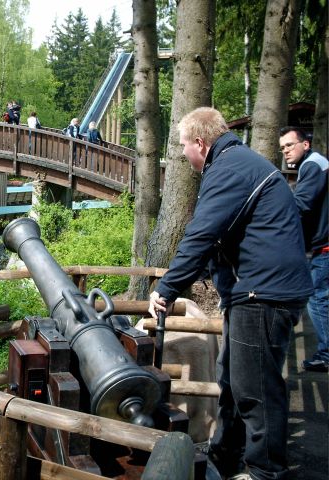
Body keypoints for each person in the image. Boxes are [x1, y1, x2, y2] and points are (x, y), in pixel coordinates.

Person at [147, 108, 313, 480]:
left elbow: (201, 234)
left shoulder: (228, 169)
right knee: (233, 382)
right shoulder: (236, 162)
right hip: (259, 289)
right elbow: (229, 233)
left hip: (264, 293)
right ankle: (224, 456)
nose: (183, 153)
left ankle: (265, 471)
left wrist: (167, 288)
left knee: (256, 389)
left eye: (183, 146)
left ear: (200, 143)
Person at [279, 126, 329, 372]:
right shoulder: (315, 164)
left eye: (289, 145)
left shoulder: (313, 165)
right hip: (321, 245)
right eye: (282, 148)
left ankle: (326, 355)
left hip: (324, 247)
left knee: (318, 300)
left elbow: (302, 205)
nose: (285, 151)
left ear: (305, 144)